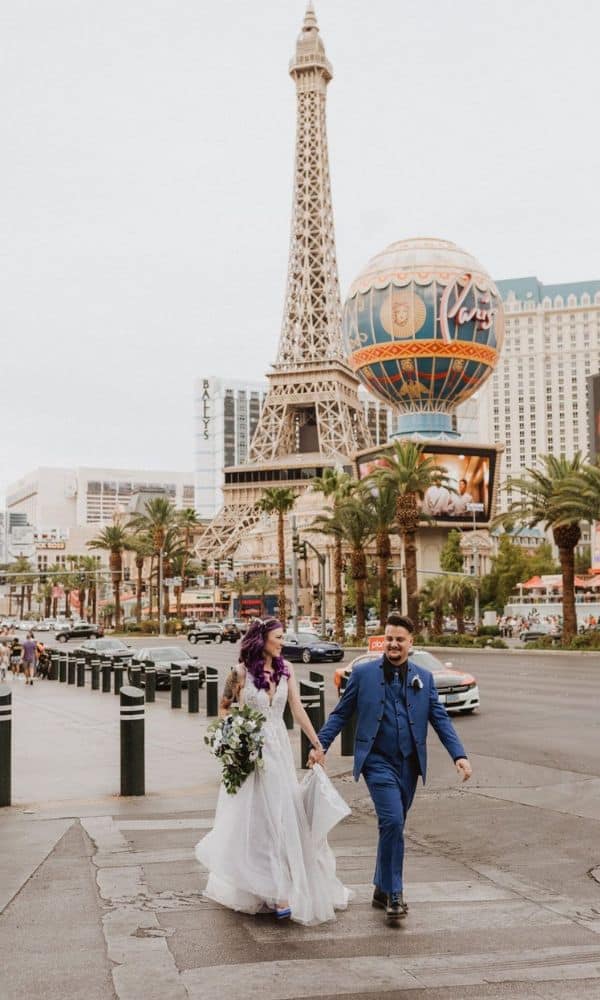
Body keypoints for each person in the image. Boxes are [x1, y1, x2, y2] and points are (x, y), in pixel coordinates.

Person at [310, 613, 472, 925]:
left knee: (392, 827)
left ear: (411, 643)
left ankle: (381, 887)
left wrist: (458, 755)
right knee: (393, 820)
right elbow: (341, 714)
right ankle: (396, 894)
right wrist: (320, 746)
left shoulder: (424, 679)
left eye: (400, 639)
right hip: (376, 761)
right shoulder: (363, 674)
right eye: (389, 638)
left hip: (409, 764)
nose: (393, 644)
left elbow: (440, 719)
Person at [195, 618, 350, 925]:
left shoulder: (286, 670)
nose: (282, 641)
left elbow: (297, 708)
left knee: (281, 819)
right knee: (256, 820)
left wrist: (318, 744)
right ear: (262, 639)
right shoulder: (239, 673)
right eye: (278, 637)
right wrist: (235, 731)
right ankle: (268, 888)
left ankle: (282, 886)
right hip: (250, 754)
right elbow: (223, 707)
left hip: (277, 752)